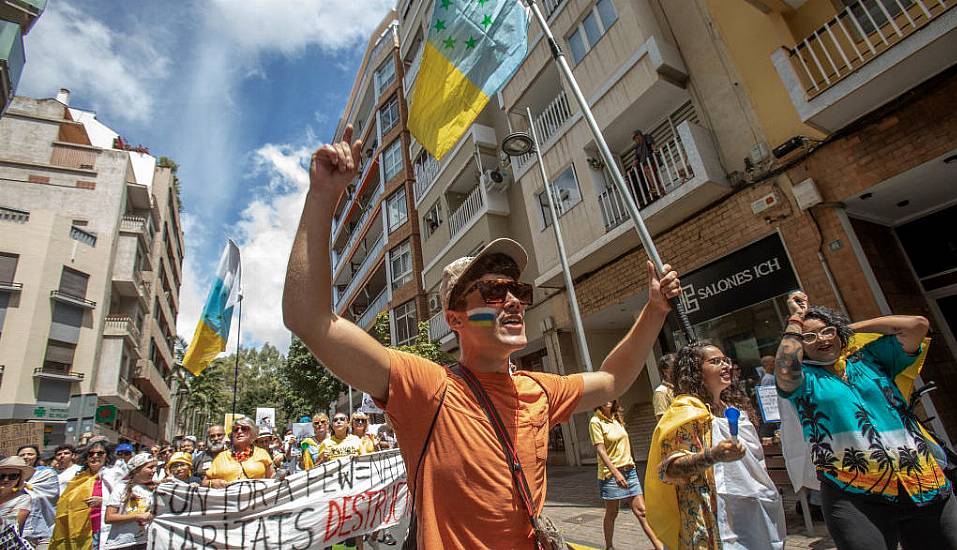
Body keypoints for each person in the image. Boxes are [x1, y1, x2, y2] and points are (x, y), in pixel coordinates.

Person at [282, 126, 682, 548]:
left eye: (519, 291)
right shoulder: (427, 387)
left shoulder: (540, 390)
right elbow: (309, 319)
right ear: (455, 319)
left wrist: (654, 311)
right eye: (493, 292)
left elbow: (613, 381)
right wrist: (323, 197)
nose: (513, 302)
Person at [775, 291, 955, 549]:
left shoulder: (870, 359)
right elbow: (784, 367)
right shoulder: (804, 381)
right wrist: (796, 319)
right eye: (809, 337)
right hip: (853, 493)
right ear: (801, 345)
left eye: (827, 332)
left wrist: (847, 328)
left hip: (922, 481)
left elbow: (917, 325)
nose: (821, 340)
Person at [646, 342, 786, 549]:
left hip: (755, 512)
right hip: (712, 520)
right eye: (715, 361)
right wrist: (713, 455)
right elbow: (670, 470)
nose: (726, 365)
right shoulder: (686, 413)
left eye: (726, 360)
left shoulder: (735, 410)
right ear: (695, 371)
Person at [590, 400, 663, 550]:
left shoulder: (618, 418)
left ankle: (659, 547)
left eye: (610, 396)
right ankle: (609, 546)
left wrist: (632, 465)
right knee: (612, 512)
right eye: (602, 396)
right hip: (610, 475)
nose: (607, 399)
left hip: (630, 471)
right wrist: (616, 473)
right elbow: (601, 450)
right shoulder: (595, 421)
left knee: (642, 512)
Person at [50, 441, 113, 550]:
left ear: (107, 457)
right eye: (91, 454)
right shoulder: (80, 477)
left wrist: (103, 501)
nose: (95, 456)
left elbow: (122, 499)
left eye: (100, 453)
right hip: (79, 529)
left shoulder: (113, 474)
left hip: (101, 528)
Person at [103, 453, 156, 550]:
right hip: (122, 544)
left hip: (144, 543)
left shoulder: (153, 489)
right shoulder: (121, 488)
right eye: (150, 467)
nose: (154, 470)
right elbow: (109, 517)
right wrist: (137, 516)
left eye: (155, 467)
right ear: (137, 470)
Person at [202, 418, 274, 488]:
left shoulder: (262, 453)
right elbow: (204, 482)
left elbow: (272, 479)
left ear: (252, 433)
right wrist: (212, 483)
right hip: (229, 498)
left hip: (256, 498)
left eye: (244, 429)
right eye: (235, 430)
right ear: (232, 435)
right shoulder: (221, 456)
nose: (239, 431)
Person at [18, 445, 59, 549]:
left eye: (30, 454)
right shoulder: (12, 476)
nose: (26, 457)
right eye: (22, 455)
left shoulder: (47, 473)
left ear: (37, 457)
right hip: (21, 533)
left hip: (43, 531)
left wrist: (23, 486)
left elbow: (51, 494)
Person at [0, 456, 34, 549]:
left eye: (13, 476)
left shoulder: (23, 498)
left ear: (20, 478)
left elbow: (15, 526)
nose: (6, 480)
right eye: (1, 476)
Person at [653, 353, 676, 420]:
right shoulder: (661, 392)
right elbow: (662, 420)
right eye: (674, 366)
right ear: (665, 371)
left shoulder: (682, 388)